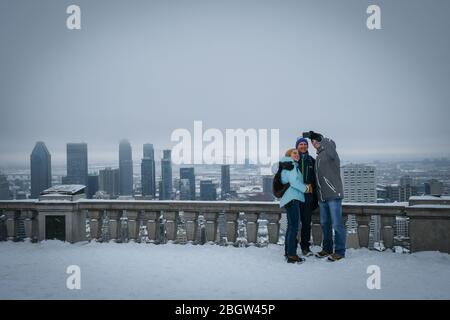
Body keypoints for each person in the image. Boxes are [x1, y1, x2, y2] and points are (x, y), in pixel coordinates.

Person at [305, 131, 346, 262]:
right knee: (325, 224)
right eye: (312, 141)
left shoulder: (330, 152)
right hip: (322, 197)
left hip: (333, 195)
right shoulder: (319, 156)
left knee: (337, 224)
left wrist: (321, 138)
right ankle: (327, 248)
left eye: (316, 140)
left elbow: (330, 146)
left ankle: (339, 251)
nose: (314, 142)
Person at [279, 148, 308, 263]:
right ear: (289, 155)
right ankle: (291, 255)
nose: (297, 154)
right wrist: (306, 188)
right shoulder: (291, 166)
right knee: (294, 227)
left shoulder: (288, 165)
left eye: (298, 153)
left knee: (291, 227)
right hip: (292, 199)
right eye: (294, 153)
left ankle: (288, 252)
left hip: (290, 199)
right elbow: (294, 182)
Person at [295, 137, 319, 257]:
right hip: (295, 196)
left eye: (305, 144)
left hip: (308, 196)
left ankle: (305, 247)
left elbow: (315, 180)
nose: (303, 146)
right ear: (297, 147)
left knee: (306, 223)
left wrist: (315, 197)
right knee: (294, 223)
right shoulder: (293, 159)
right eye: (300, 144)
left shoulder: (312, 160)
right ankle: (292, 247)